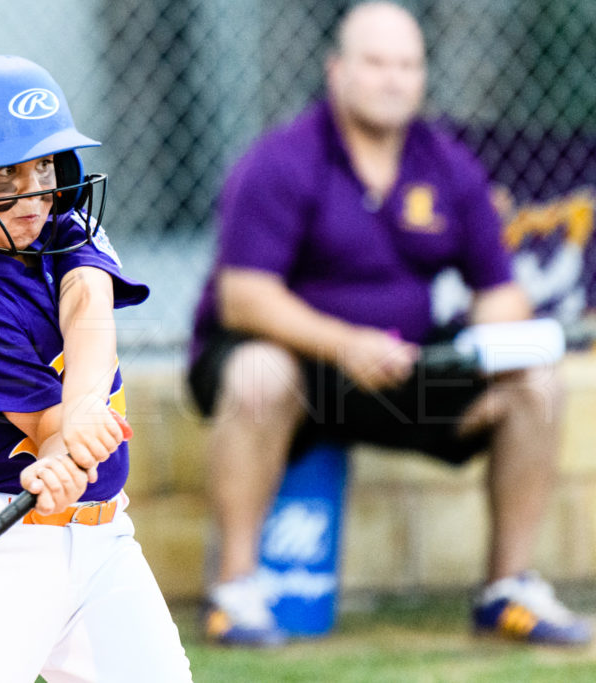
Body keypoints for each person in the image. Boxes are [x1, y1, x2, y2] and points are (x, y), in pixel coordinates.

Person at [188, 1, 592, 648]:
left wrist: (485, 339)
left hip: (405, 371)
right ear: (338, 70)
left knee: (535, 383)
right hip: (296, 370)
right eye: (376, 62)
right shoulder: (281, 160)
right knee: (261, 368)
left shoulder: (450, 165)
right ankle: (235, 593)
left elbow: (501, 293)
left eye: (408, 64)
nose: (394, 79)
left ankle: (507, 590)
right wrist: (346, 344)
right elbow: (245, 298)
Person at [0, 53, 193, 682]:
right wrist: (60, 455)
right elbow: (48, 430)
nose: (33, 192)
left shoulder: (61, 225)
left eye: (43, 165)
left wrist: (84, 406)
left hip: (104, 539)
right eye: (3, 176)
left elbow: (88, 296)